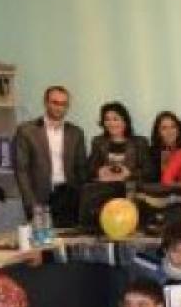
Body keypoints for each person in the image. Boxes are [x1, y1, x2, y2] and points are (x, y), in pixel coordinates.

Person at [14, 85, 87, 226]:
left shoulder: (76, 132)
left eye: (64, 104)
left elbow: (81, 169)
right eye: (55, 102)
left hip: (69, 198)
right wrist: (30, 203)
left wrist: (83, 199)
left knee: (68, 237)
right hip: (39, 198)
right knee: (43, 238)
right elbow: (21, 170)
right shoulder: (27, 131)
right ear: (46, 102)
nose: (59, 108)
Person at [88, 101, 151, 183]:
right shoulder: (98, 142)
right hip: (105, 186)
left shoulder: (140, 142)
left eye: (115, 119)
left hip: (130, 187)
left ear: (125, 121)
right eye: (107, 119)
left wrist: (130, 173)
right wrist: (99, 171)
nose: (111, 123)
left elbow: (149, 172)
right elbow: (89, 169)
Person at [148, 111, 181, 183]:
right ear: (158, 132)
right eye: (164, 128)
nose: (169, 131)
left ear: (178, 130)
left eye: (173, 127)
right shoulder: (151, 153)